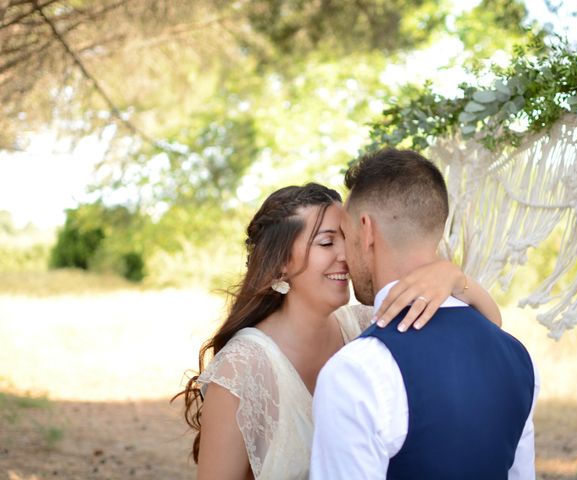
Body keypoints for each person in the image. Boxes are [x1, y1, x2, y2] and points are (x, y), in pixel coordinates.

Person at [176, 182, 503, 480]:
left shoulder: (365, 323)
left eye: (346, 239)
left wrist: (451, 277)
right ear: (280, 263)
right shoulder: (242, 367)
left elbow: (489, 328)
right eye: (327, 242)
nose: (345, 256)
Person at [310, 149, 540, 479]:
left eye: (344, 235)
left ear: (367, 230)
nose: (343, 254)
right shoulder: (519, 358)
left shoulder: (357, 372)